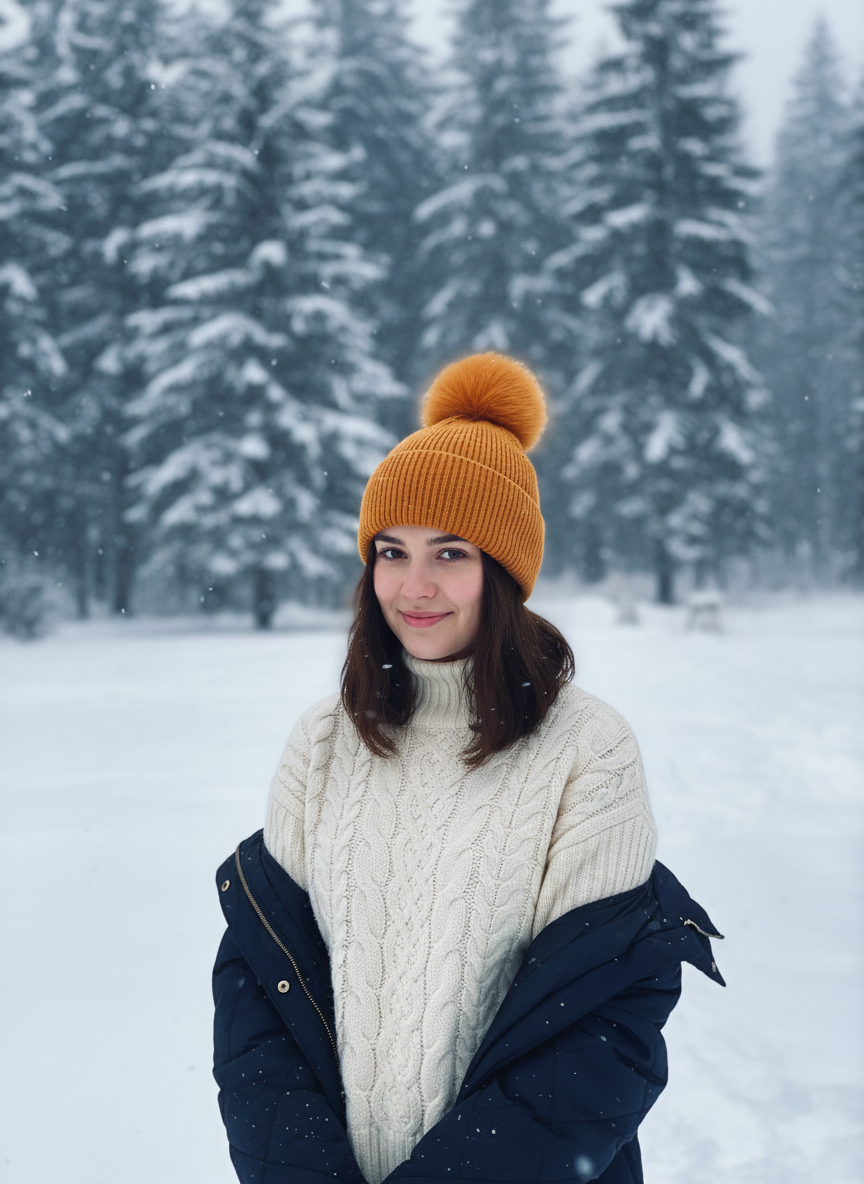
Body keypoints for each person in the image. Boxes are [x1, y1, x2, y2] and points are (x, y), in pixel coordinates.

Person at [213, 352, 724, 1184]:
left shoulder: (587, 750)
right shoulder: (322, 743)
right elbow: (259, 996)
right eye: (390, 551)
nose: (413, 586)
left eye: (450, 553)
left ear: (505, 569)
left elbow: (598, 1032)